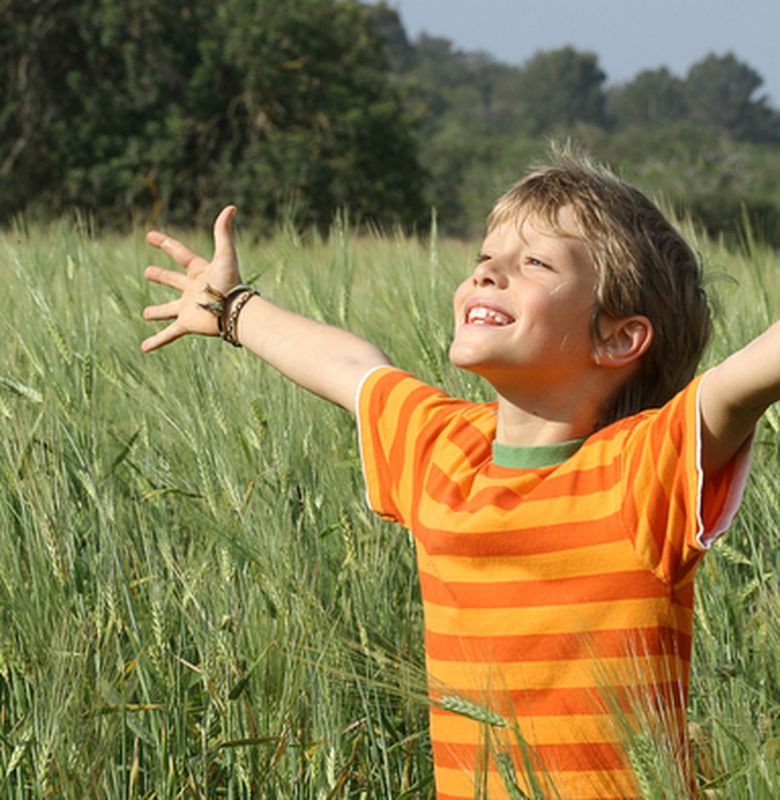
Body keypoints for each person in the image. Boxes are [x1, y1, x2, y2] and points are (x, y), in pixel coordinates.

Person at [142, 153, 779, 799]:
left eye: (534, 263)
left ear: (619, 338)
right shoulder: (444, 448)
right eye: (484, 257)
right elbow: (352, 369)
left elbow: (742, 381)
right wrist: (232, 309)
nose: (488, 272)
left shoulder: (645, 470)